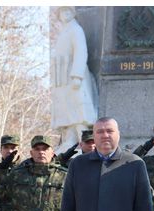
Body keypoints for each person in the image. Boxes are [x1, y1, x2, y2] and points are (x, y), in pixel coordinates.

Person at [51, 6, 98, 151]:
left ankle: (83, 138)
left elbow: (81, 51)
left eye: (68, 11)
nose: (65, 15)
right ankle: (70, 140)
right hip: (62, 76)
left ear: (73, 13)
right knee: (66, 108)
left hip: (74, 75)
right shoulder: (63, 32)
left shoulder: (76, 30)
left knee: (79, 110)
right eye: (62, 12)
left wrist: (77, 75)